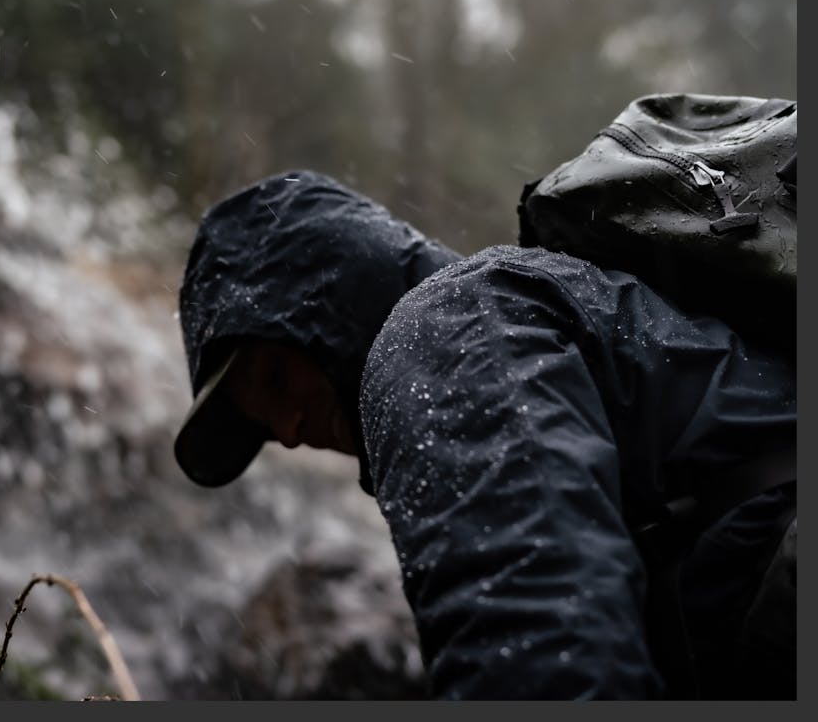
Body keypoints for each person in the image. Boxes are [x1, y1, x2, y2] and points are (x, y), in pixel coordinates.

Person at [173, 170, 796, 700]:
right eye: (262, 424)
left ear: (330, 293)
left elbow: (535, 627)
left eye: (277, 377)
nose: (287, 431)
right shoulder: (512, 317)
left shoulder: (439, 328)